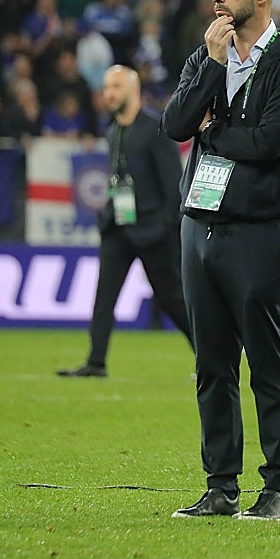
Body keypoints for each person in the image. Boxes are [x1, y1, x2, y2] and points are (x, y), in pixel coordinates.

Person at [162, 0, 280, 522]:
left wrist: (215, 129)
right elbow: (175, 125)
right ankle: (220, 487)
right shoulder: (207, 56)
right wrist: (210, 66)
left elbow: (266, 145)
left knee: (267, 364)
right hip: (198, 227)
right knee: (212, 365)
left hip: (258, 232)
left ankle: (279, 488)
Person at [58, 65, 193, 377]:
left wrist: (162, 226)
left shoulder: (155, 128)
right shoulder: (113, 130)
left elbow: (174, 186)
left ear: (134, 90)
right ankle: (96, 362)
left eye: (116, 86)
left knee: (173, 299)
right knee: (104, 297)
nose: (109, 93)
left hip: (152, 231)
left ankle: (211, 359)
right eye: (106, 87)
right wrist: (107, 215)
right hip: (118, 226)